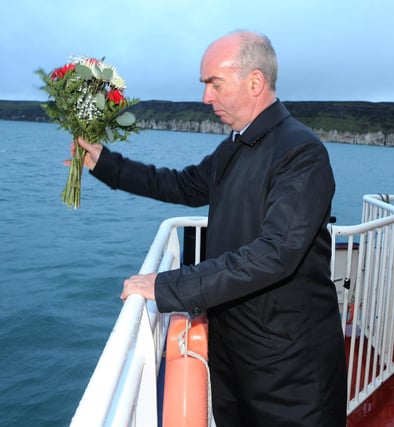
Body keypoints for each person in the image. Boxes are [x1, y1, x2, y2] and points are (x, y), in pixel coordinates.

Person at [73, 30, 347, 427]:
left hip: (291, 370)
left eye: (213, 83)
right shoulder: (235, 146)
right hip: (236, 356)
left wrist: (168, 286)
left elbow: (275, 254)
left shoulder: (301, 152)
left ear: (255, 82)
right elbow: (181, 184)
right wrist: (105, 164)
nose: (206, 98)